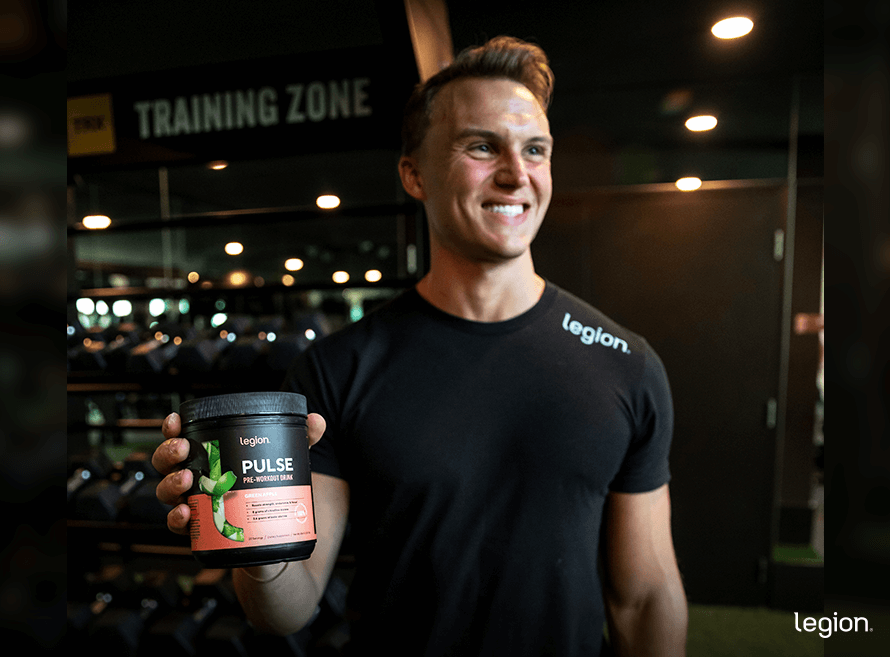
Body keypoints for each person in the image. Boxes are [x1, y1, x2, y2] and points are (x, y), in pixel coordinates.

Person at [153, 36, 687, 656]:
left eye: (535, 149)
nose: (517, 174)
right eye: (482, 146)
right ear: (414, 173)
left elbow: (645, 597)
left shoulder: (626, 364)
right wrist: (246, 535)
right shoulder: (336, 372)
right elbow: (287, 609)